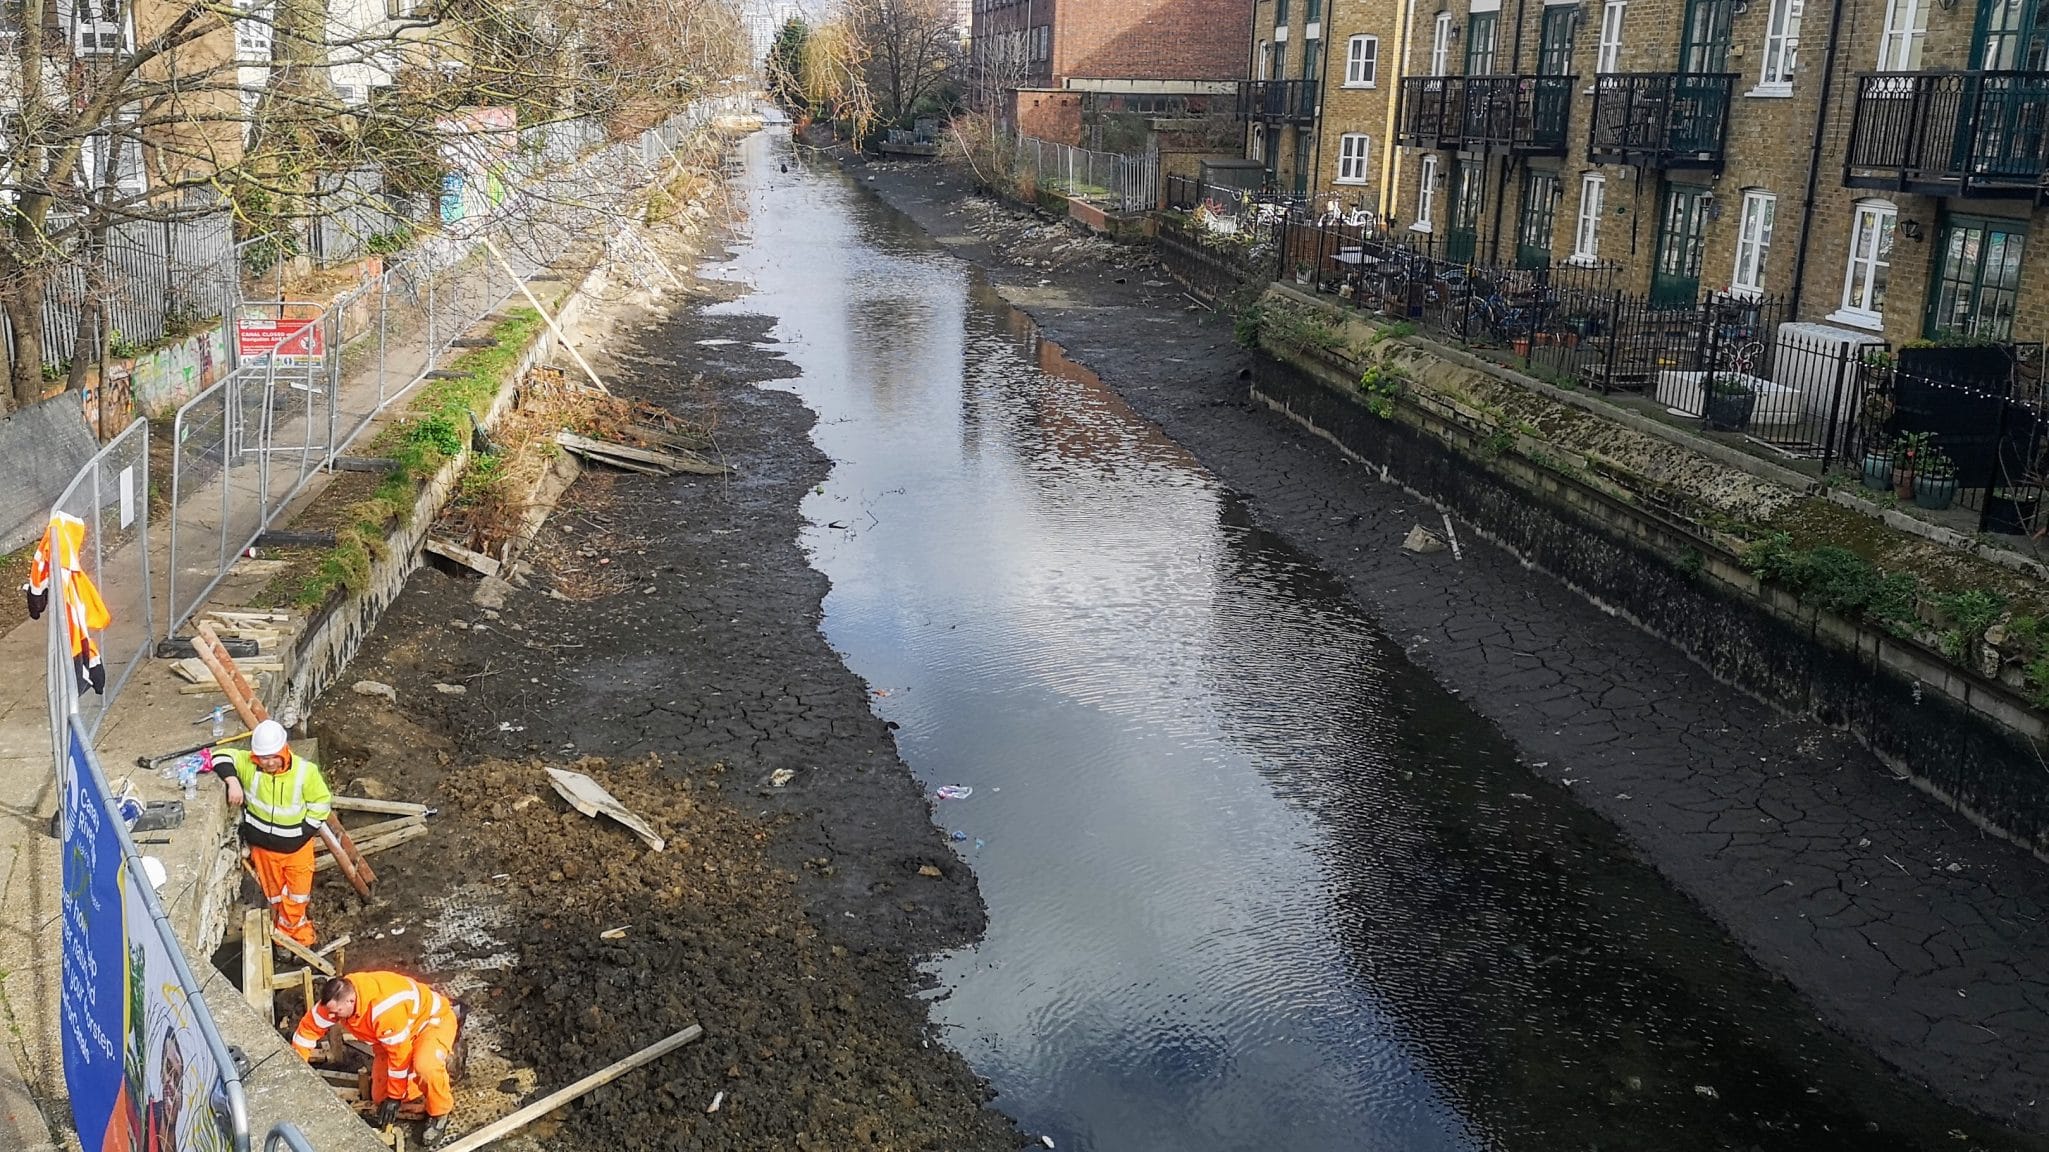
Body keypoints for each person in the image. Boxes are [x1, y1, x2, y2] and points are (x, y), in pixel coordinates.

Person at [292, 971, 461, 1147]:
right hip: (395, 1035)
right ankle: (430, 1072)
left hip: (430, 1024)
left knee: (425, 1067)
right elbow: (306, 1031)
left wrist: (395, 1097)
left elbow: (399, 1057)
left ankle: (440, 1110)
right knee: (381, 1098)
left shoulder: (384, 1009)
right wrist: (295, 1068)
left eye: (338, 1012)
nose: (333, 1017)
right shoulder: (336, 1002)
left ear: (351, 1001)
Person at [212, 719, 332, 947]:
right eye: (262, 758)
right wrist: (232, 782)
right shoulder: (249, 765)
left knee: (297, 898)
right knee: (276, 898)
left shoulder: (305, 773)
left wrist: (302, 832)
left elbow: (321, 804)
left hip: (297, 849)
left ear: (284, 750)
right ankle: (292, 937)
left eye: (272, 757)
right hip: (265, 851)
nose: (267, 763)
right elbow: (219, 756)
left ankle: (290, 941)